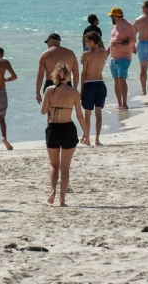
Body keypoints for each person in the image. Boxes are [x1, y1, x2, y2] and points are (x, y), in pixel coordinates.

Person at [41, 62, 84, 206]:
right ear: (68, 76)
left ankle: (52, 191)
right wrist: (86, 132)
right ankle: (62, 199)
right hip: (68, 129)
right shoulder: (73, 92)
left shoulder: (49, 90)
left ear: (56, 75)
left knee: (54, 165)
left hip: (53, 128)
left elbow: (43, 111)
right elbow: (79, 115)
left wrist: (53, 105)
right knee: (65, 167)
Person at [79, 33, 108, 145]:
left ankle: (87, 138)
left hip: (89, 84)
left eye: (87, 41)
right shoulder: (104, 53)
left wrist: (81, 89)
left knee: (87, 114)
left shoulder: (86, 54)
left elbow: (84, 73)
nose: (86, 43)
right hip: (100, 83)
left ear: (92, 41)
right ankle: (97, 139)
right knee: (98, 113)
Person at [35, 33, 79, 103]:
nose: (47, 45)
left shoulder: (45, 55)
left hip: (50, 85)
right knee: (65, 110)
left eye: (47, 43)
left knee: (50, 111)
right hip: (67, 84)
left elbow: (40, 75)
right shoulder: (70, 53)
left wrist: (37, 92)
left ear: (51, 41)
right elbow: (76, 74)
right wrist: (74, 88)